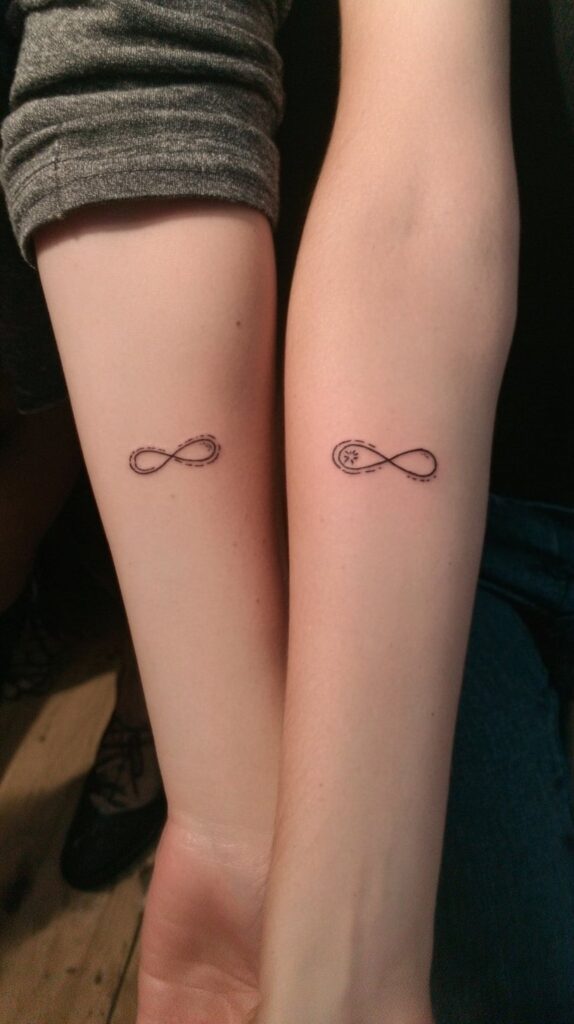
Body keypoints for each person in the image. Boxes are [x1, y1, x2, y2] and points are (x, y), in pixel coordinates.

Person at [1, 3, 519, 1023]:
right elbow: (143, 64)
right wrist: (236, 833)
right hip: (434, 537)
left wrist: (345, 933)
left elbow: (417, 169)